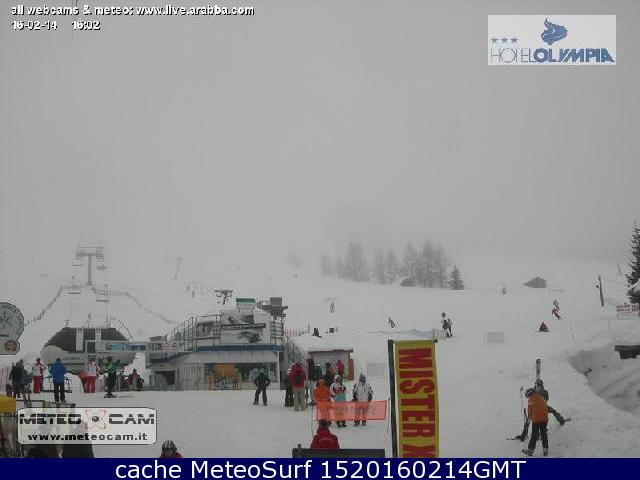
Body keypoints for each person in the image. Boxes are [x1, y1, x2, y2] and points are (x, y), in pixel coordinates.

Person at [523, 387, 549, 456]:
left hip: (536, 420)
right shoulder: (541, 397)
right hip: (544, 419)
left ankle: (530, 450)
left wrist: (529, 420)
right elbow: (545, 407)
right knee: (544, 434)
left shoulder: (530, 400)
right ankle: (545, 449)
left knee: (534, 436)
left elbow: (530, 412)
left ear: (529, 394)